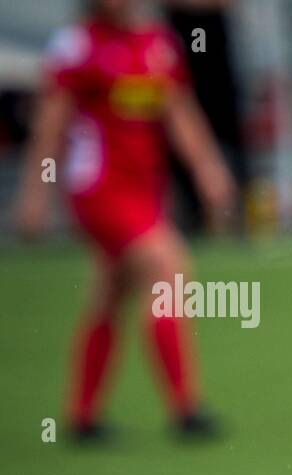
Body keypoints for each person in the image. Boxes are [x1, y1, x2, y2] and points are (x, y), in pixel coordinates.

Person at [14, 0, 235, 442]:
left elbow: (179, 113)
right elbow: (51, 124)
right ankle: (186, 408)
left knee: (111, 290)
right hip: (97, 189)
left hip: (144, 191)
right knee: (168, 269)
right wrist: (35, 193)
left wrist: (209, 169)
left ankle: (83, 416)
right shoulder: (77, 46)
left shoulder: (156, 45)